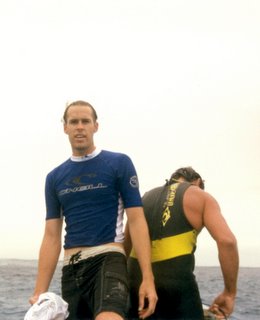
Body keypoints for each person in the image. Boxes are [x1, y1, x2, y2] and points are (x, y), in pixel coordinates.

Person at [29, 100, 157, 320]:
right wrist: (39, 291)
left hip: (108, 260)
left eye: (85, 121)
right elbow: (51, 236)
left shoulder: (119, 163)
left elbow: (136, 221)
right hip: (71, 270)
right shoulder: (54, 177)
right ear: (65, 127)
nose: (80, 126)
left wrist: (148, 278)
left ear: (95, 126)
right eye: (74, 121)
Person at [126, 167, 239, 320]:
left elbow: (125, 245)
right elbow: (227, 242)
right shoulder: (199, 195)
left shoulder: (144, 197)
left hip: (137, 283)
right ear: (197, 182)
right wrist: (229, 293)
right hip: (176, 285)